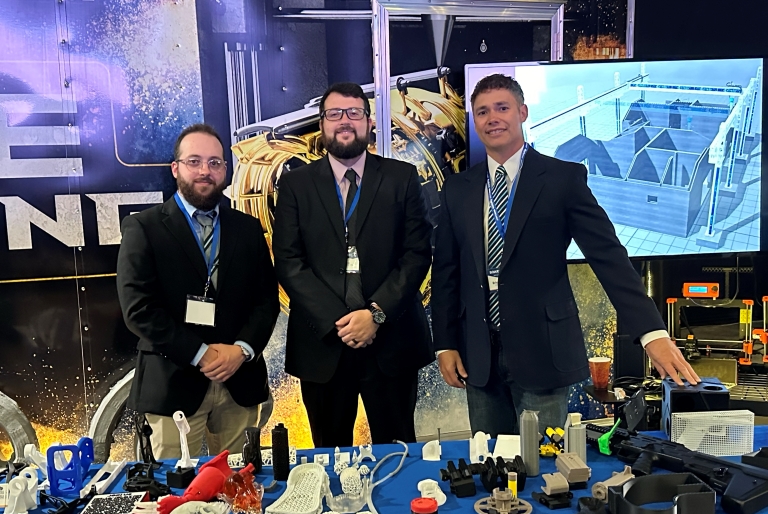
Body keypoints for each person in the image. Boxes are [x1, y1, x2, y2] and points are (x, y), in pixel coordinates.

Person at [431, 74, 699, 437]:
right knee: (490, 463)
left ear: (522, 112)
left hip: (541, 350)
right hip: (480, 356)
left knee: (543, 470)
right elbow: (447, 272)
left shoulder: (562, 179)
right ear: (475, 122)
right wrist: (445, 343)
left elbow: (609, 257)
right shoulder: (458, 189)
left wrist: (652, 333)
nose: (492, 117)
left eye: (502, 108)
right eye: (482, 112)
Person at [272, 82, 433, 448]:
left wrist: (374, 314)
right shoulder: (296, 185)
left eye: (353, 113)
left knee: (397, 453)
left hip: (391, 343)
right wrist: (339, 322)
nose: (344, 121)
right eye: (334, 114)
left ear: (369, 121)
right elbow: (289, 261)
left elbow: (417, 253)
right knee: (328, 456)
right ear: (322, 124)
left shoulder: (401, 178)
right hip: (323, 346)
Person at [117, 123, 279, 459]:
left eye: (215, 163)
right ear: (175, 169)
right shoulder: (143, 228)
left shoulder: (247, 229)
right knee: (174, 492)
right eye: (194, 161)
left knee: (240, 487)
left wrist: (242, 350)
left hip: (240, 382)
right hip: (173, 382)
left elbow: (266, 302)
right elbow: (139, 310)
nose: (205, 171)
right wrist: (200, 353)